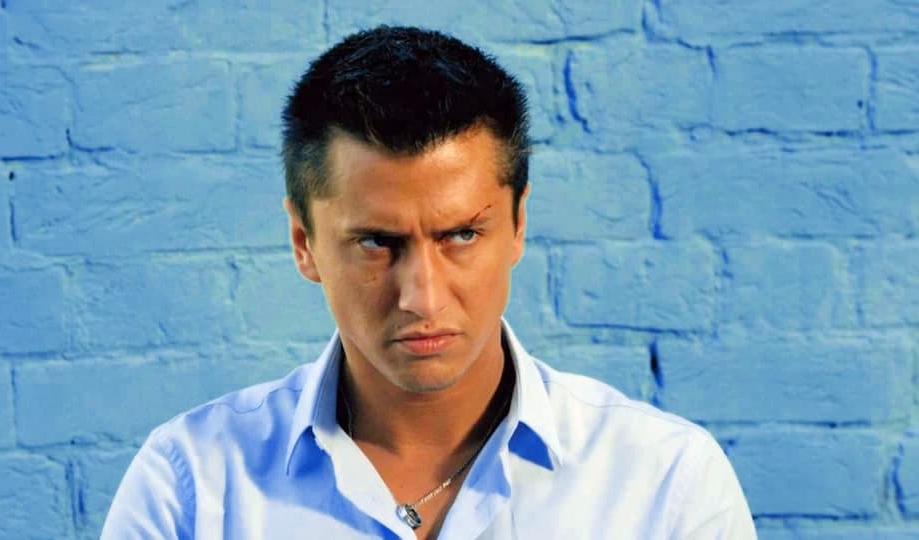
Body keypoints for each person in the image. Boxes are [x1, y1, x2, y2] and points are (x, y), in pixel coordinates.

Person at [102, 26, 756, 539]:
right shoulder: (190, 487)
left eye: (462, 235)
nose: (423, 297)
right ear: (304, 243)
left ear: (518, 224)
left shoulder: (666, 484)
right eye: (376, 243)